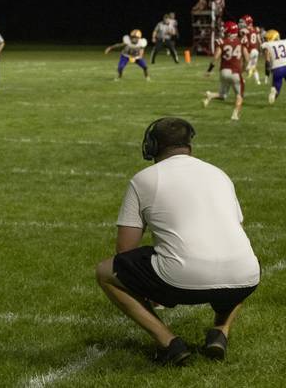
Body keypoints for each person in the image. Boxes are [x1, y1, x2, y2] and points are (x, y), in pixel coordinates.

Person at [95, 117, 260, 365]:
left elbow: (125, 252)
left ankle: (169, 343)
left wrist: (152, 286)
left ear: (152, 146)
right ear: (189, 146)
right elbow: (234, 228)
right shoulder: (219, 174)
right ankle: (220, 331)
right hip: (245, 277)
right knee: (240, 262)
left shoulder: (144, 179)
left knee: (106, 272)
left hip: (181, 279)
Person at [203, 21, 248, 121]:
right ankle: (235, 115)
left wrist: (209, 70)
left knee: (223, 95)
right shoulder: (241, 41)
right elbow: (246, 57)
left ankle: (210, 95)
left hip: (224, 72)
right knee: (239, 95)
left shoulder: (222, 42)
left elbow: (216, 57)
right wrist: (245, 68)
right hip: (236, 73)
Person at [260, 29, 286, 104]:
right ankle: (273, 94)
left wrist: (267, 74)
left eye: (267, 38)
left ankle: (274, 92)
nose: (265, 40)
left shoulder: (268, 45)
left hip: (277, 69)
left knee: (277, 86)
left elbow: (267, 62)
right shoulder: (285, 42)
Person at [239, 15, 262, 85]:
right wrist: (260, 49)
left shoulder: (245, 30)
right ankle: (258, 81)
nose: (242, 23)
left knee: (245, 67)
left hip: (249, 51)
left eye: (244, 22)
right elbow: (259, 41)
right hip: (256, 51)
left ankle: (243, 78)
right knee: (253, 66)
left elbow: (243, 39)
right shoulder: (255, 29)